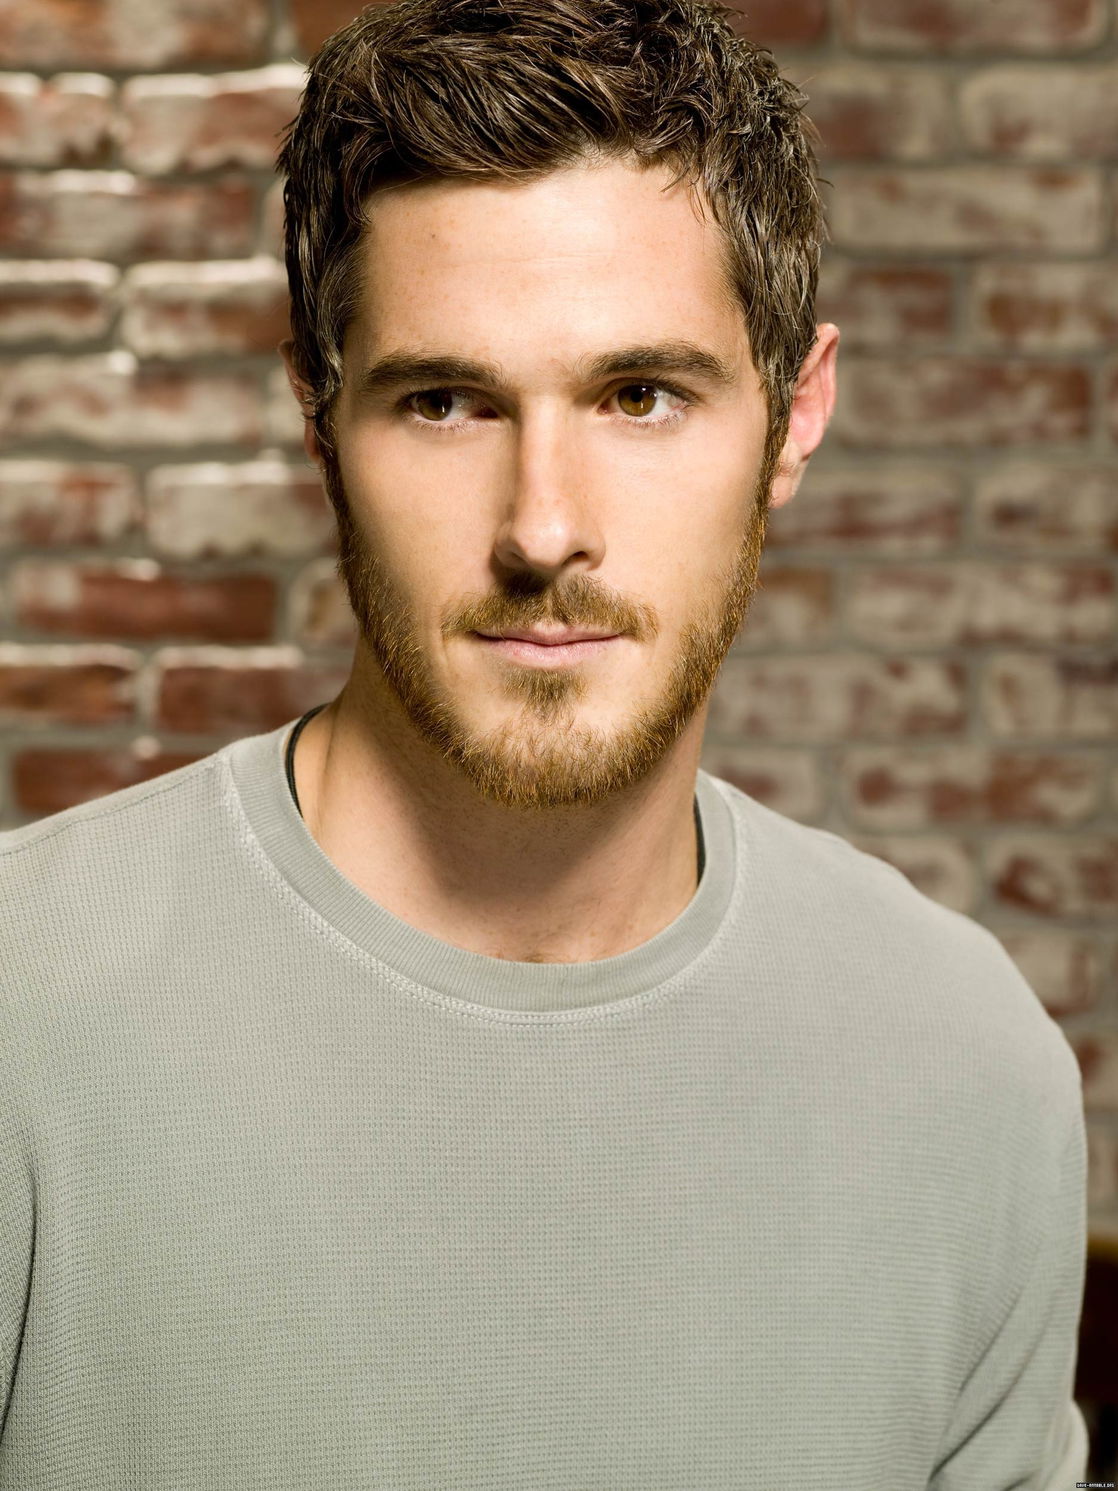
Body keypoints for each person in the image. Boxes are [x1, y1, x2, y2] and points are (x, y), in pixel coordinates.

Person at [0, 1, 1088, 1485]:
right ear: (319, 419)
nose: (543, 527)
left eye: (641, 397)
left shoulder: (969, 1068)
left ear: (795, 414)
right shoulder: (26, 1011)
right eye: (445, 403)